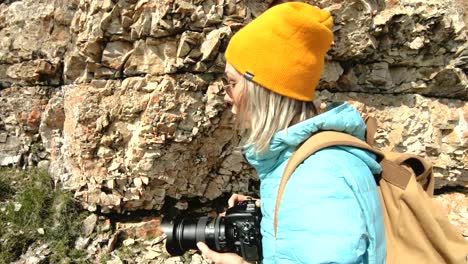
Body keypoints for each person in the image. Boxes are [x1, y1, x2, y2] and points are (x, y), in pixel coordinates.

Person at [197, 2, 386, 263]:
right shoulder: (318, 161)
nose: (226, 96)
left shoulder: (316, 177)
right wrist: (279, 211)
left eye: (232, 82)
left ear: (262, 90)